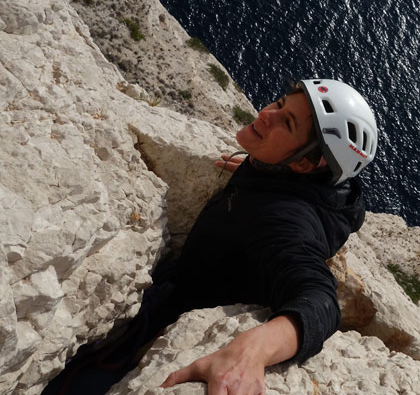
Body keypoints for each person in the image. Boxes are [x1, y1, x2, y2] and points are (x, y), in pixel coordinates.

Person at [42, 78, 378, 395]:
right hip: (185, 283)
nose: (266, 114)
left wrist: (252, 352)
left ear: (306, 165)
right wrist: (257, 170)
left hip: (172, 317)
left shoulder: (284, 220)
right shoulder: (303, 182)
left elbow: (320, 302)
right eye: (279, 103)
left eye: (287, 123)